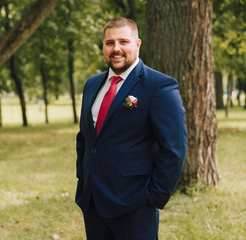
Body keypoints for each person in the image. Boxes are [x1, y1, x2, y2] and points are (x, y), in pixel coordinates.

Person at [75, 17, 187, 239]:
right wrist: (83, 178)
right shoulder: (92, 85)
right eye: (109, 43)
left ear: (137, 44)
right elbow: (85, 138)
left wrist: (154, 198)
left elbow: (174, 149)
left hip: (135, 206)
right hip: (93, 202)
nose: (116, 48)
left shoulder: (160, 86)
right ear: (103, 47)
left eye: (123, 41)